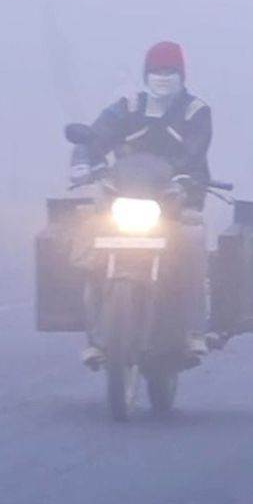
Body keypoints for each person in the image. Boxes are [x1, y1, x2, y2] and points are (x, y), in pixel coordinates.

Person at [70, 41, 213, 366]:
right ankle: (94, 338)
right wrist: (83, 160)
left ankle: (193, 331)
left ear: (182, 74)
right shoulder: (128, 106)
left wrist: (186, 177)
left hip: (176, 199)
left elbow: (196, 150)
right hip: (123, 199)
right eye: (156, 71)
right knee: (86, 235)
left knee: (192, 239)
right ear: (145, 74)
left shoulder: (195, 111)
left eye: (170, 71)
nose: (163, 77)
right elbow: (96, 135)